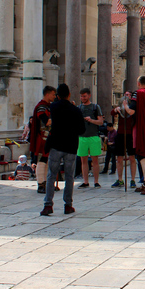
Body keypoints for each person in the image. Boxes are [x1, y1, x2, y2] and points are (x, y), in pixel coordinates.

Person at [41, 83, 85, 216]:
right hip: (71, 146)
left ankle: (48, 205)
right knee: (70, 176)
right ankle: (68, 205)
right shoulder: (76, 110)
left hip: (56, 144)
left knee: (51, 175)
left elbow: (54, 106)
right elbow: (82, 129)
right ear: (69, 94)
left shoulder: (54, 106)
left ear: (58, 96)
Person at [124, 76, 145, 194]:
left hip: (141, 128)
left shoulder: (137, 94)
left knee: (142, 155)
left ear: (138, 83)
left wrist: (125, 106)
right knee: (144, 155)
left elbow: (132, 111)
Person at [76, 88, 104, 189]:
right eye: (81, 96)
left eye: (84, 96)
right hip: (82, 136)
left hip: (93, 136)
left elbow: (100, 122)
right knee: (83, 160)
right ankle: (85, 181)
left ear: (89, 96)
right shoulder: (79, 108)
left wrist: (91, 120)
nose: (82, 98)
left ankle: (96, 181)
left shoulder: (96, 107)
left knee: (95, 160)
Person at [30, 86, 56, 194]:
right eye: (53, 94)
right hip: (42, 137)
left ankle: (46, 183)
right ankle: (41, 184)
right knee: (42, 160)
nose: (54, 96)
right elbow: (46, 122)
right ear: (48, 94)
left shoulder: (49, 106)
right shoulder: (41, 107)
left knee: (47, 161)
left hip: (48, 136)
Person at [111, 93, 137, 188]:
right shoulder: (119, 111)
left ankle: (133, 180)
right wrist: (115, 109)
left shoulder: (132, 110)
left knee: (132, 157)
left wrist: (127, 107)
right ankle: (120, 179)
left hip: (130, 134)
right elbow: (112, 113)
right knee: (119, 158)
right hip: (120, 134)